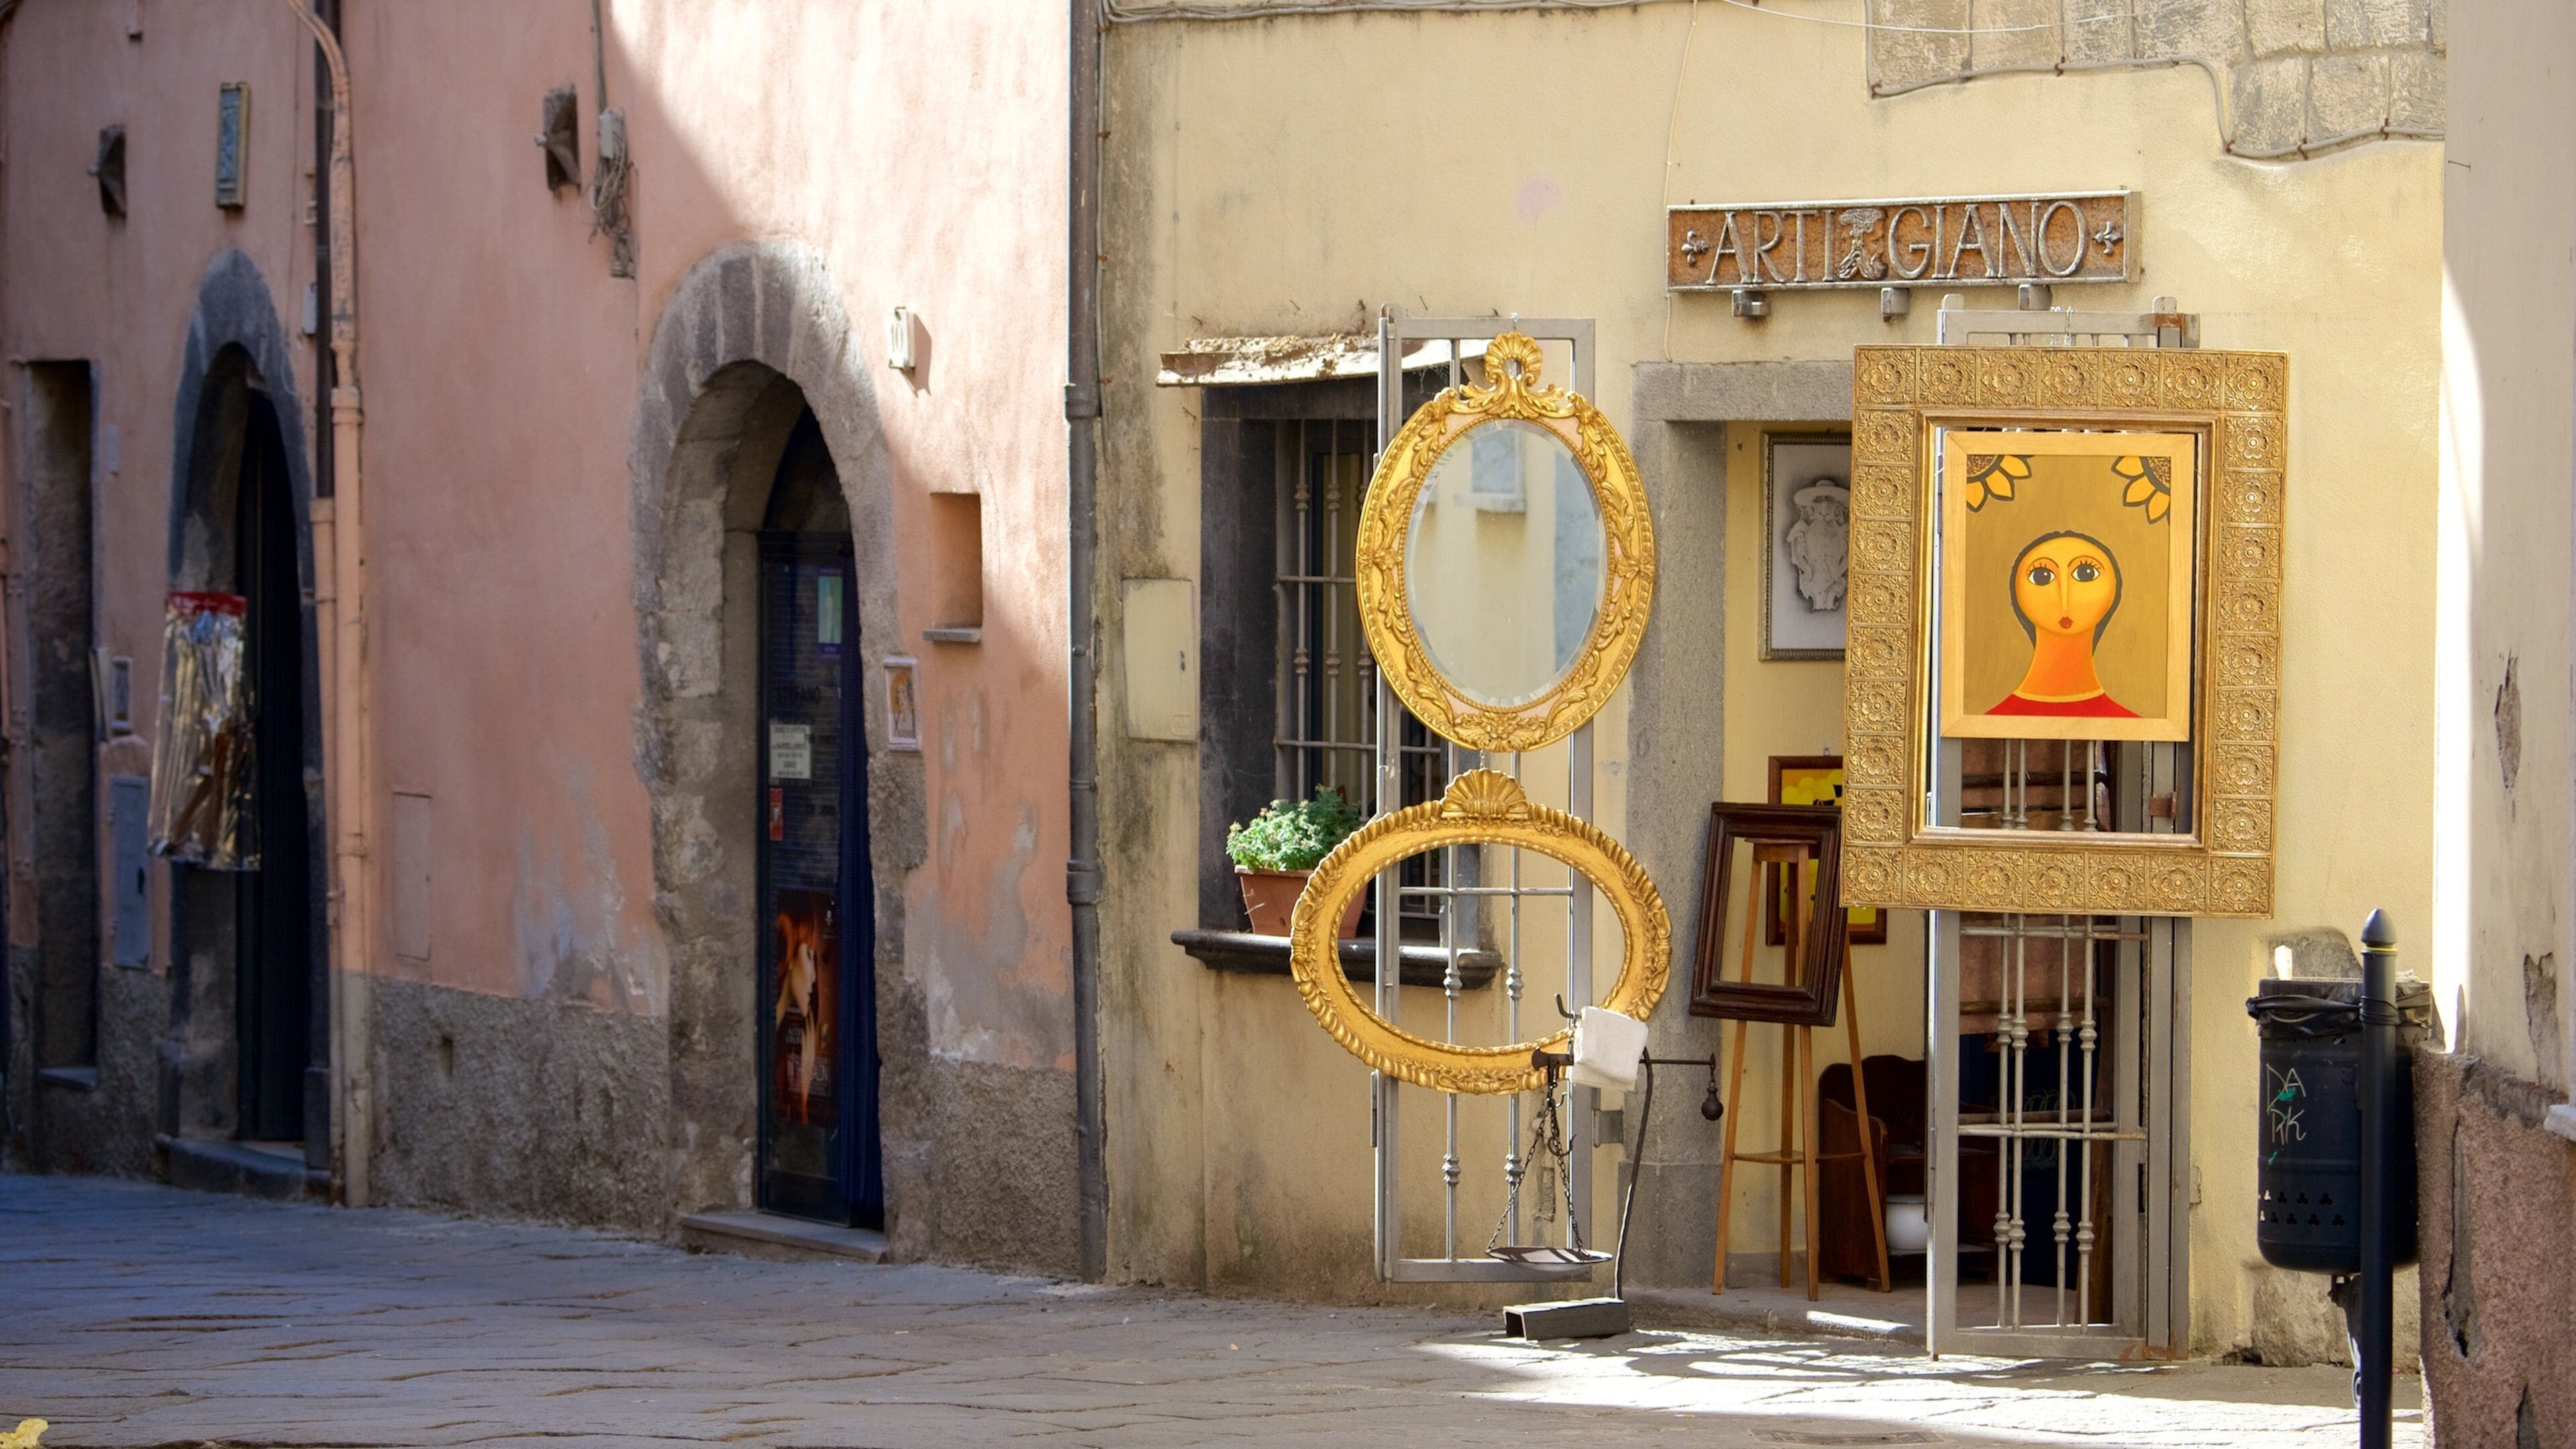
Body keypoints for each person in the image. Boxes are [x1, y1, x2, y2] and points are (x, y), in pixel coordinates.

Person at [1985, 531, 2139, 719]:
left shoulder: (2128, 723)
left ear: (2114, 590)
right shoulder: (1994, 720)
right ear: (2017, 593)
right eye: (2041, 576)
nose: (2064, 598)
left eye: (2086, 573)